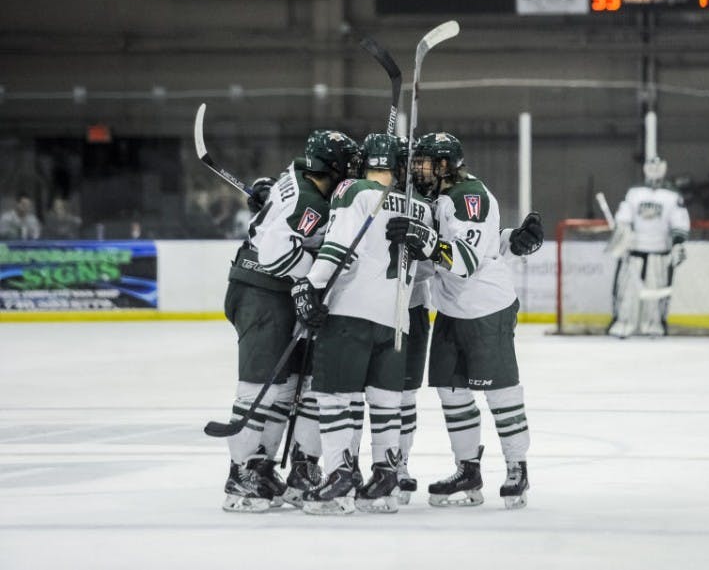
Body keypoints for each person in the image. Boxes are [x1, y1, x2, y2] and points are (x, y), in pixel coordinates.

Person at [392, 138, 544, 506]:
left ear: (445, 166)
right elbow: (449, 254)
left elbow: (465, 262)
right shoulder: (443, 197)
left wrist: (423, 240)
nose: (418, 170)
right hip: (450, 309)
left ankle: (517, 468)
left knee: (501, 393)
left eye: (425, 163)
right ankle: (468, 470)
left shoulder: (467, 198)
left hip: (485, 308)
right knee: (452, 391)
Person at [291, 132, 433, 516]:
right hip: (397, 319)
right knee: (387, 403)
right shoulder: (421, 206)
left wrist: (309, 285)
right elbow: (427, 267)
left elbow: (341, 249)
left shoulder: (352, 190)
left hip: (351, 312)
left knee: (337, 398)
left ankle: (339, 478)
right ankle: (385, 478)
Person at [219, 129, 361, 513]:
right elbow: (273, 252)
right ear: (332, 169)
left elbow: (278, 215)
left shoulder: (295, 177)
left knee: (288, 386)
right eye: (347, 168)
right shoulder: (312, 200)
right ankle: (241, 475)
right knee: (257, 388)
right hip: (263, 293)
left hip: (265, 290)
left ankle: (263, 467)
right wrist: (316, 275)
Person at [607, 156, 691, 338]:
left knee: (657, 291)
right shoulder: (634, 192)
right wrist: (623, 233)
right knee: (627, 291)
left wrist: (678, 244)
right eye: (651, 165)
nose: (654, 169)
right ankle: (624, 322)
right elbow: (624, 216)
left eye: (658, 165)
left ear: (664, 168)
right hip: (634, 250)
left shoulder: (672, 195)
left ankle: (653, 325)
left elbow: (679, 221)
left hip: (660, 251)